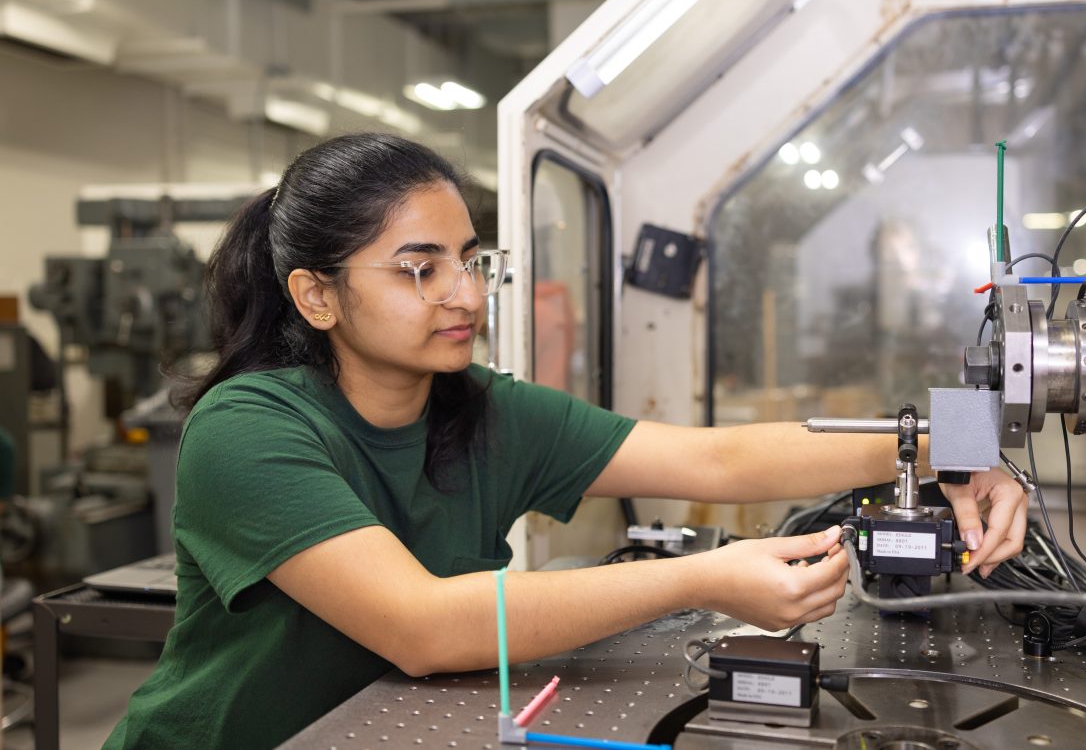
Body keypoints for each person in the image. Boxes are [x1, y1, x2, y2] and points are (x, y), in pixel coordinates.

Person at [104, 133, 1028, 748]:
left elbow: (715, 458)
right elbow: (423, 626)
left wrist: (966, 440)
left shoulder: (479, 410)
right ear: (316, 295)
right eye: (419, 269)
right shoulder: (249, 429)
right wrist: (709, 575)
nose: (463, 295)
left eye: (470, 261)